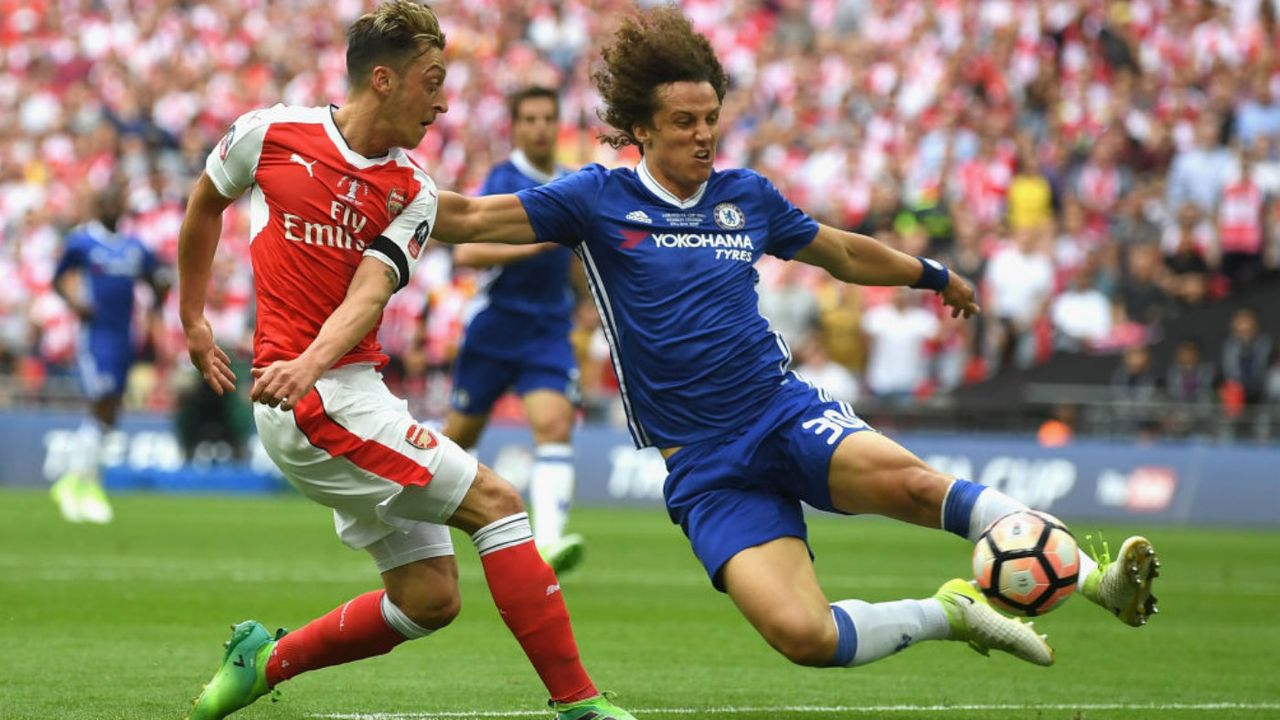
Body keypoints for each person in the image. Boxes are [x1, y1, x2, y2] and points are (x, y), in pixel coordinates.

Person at [431, 5, 1160, 675]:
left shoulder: (745, 195)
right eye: (683, 121)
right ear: (642, 129)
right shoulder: (596, 199)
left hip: (780, 411)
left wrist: (933, 274)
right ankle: (952, 614)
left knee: (916, 485)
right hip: (704, 466)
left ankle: (1101, 584)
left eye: (710, 116)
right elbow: (469, 218)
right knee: (805, 638)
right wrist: (373, 189)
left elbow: (839, 252)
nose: (702, 134)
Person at [176, 4, 634, 720]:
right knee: (499, 504)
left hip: (337, 389)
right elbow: (206, 203)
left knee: (429, 597)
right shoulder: (269, 134)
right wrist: (194, 320)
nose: (443, 99)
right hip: (311, 400)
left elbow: (369, 295)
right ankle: (578, 703)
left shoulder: (410, 190)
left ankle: (263, 662)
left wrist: (312, 360)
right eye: (432, 80)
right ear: (383, 80)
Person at [443, 86, 585, 573]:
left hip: (548, 328)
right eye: (530, 118)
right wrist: (531, 246)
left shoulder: (572, 184)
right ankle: (414, 521)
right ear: (516, 126)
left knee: (554, 426)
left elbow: (575, 263)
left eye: (548, 117)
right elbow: (466, 252)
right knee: (457, 437)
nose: (540, 127)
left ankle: (547, 545)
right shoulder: (503, 181)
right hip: (496, 327)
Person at [49, 183, 168, 524]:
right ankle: (79, 485)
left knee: (111, 411)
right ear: (98, 208)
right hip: (96, 334)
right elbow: (58, 278)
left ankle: (81, 483)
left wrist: (154, 310)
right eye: (107, 202)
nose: (113, 207)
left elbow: (156, 280)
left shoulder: (135, 247)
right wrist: (75, 302)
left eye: (117, 201)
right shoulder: (82, 242)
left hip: (124, 336)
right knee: (100, 401)